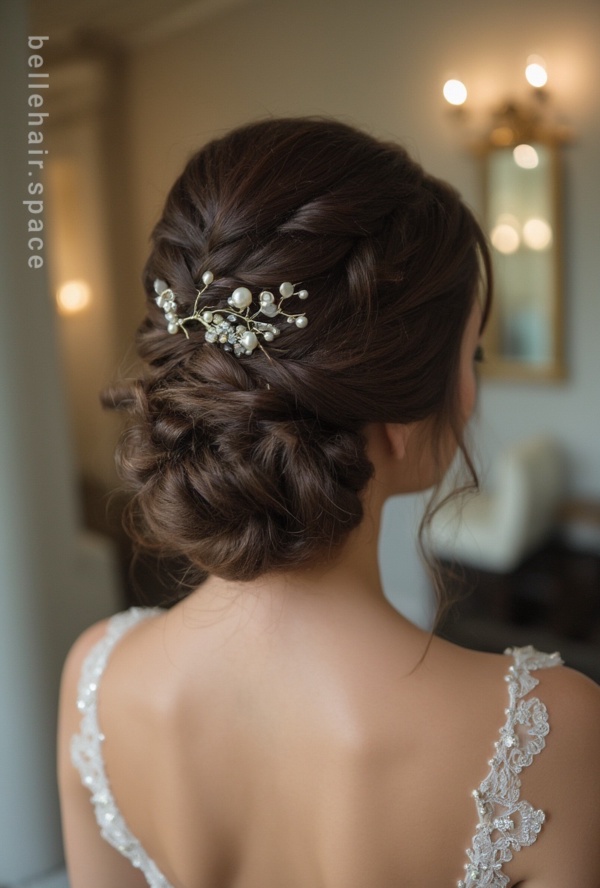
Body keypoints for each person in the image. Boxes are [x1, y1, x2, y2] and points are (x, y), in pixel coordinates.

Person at [58, 118, 600, 888]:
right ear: (401, 417)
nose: (472, 391)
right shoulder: (549, 731)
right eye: (469, 355)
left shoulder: (96, 679)